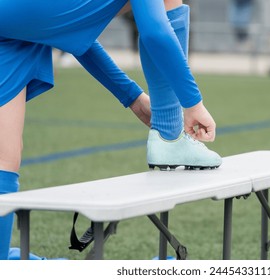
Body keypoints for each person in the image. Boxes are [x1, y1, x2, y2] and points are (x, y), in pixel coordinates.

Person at [0, 0, 221, 260]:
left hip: (11, 29)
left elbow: (71, 31)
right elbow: (155, 31)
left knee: (5, 158)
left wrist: (134, 98)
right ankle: (169, 135)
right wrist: (193, 104)